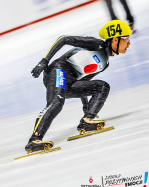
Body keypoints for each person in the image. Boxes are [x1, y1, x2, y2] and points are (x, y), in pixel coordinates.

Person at [25, 20, 131, 153]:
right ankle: (34, 139)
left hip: (70, 81)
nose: (129, 43)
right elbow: (63, 39)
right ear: (115, 39)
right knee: (56, 102)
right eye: (126, 39)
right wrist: (44, 61)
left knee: (102, 86)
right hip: (58, 70)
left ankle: (87, 121)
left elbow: (83, 81)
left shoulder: (105, 63)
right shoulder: (95, 44)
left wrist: (86, 107)